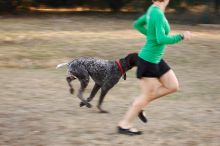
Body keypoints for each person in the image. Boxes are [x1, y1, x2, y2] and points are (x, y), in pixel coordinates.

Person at [118, 0, 192, 135]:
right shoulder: (156, 12)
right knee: (146, 95)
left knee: (173, 86)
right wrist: (181, 36)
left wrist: (150, 35)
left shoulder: (153, 9)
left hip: (156, 59)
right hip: (148, 61)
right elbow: (161, 39)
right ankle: (124, 125)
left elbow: (138, 25)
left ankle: (139, 103)